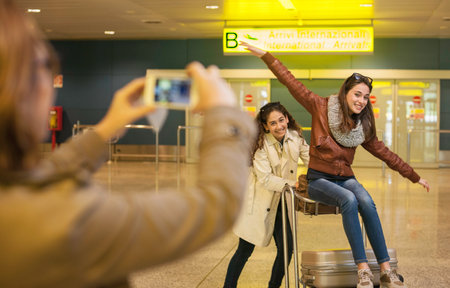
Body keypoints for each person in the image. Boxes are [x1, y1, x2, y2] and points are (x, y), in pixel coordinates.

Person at [0, 1, 257, 287]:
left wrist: (104, 131)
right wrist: (224, 114)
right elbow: (216, 206)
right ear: (17, 89)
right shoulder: (62, 223)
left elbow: (37, 181)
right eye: (46, 64)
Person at [240, 41, 430, 288]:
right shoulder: (320, 107)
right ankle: (362, 269)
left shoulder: (363, 126)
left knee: (367, 203)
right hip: (319, 180)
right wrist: (266, 55)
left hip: (345, 177)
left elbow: (386, 154)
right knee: (349, 200)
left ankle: (385, 269)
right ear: (346, 93)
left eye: (365, 97)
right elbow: (291, 82)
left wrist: (414, 176)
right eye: (357, 94)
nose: (361, 101)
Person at [224, 102, 310, 288]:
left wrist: (321, 174)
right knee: (245, 250)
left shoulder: (295, 137)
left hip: (281, 201)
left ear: (287, 118)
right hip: (258, 202)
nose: (279, 126)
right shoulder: (260, 144)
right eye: (273, 123)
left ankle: (273, 285)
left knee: (287, 249)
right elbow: (266, 179)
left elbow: (310, 158)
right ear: (265, 126)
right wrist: (294, 184)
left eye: (281, 120)